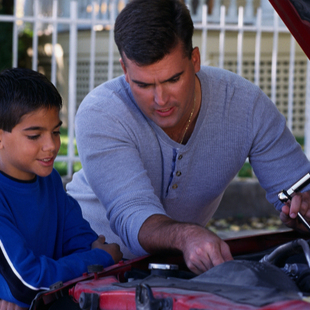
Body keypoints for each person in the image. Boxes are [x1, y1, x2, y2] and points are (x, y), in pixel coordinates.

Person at [67, 0, 310, 275]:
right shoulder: (102, 111)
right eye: (143, 84)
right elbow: (133, 214)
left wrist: (303, 210)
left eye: (173, 79)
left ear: (195, 60)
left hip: (177, 269)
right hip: (81, 267)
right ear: (124, 69)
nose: (160, 100)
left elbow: (298, 188)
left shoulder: (246, 105)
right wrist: (186, 236)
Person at [0, 67, 123, 309]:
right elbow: (28, 284)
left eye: (56, 132)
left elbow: (84, 242)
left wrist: (88, 260)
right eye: (34, 136)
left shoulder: (50, 179)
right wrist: (100, 258)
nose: (51, 146)